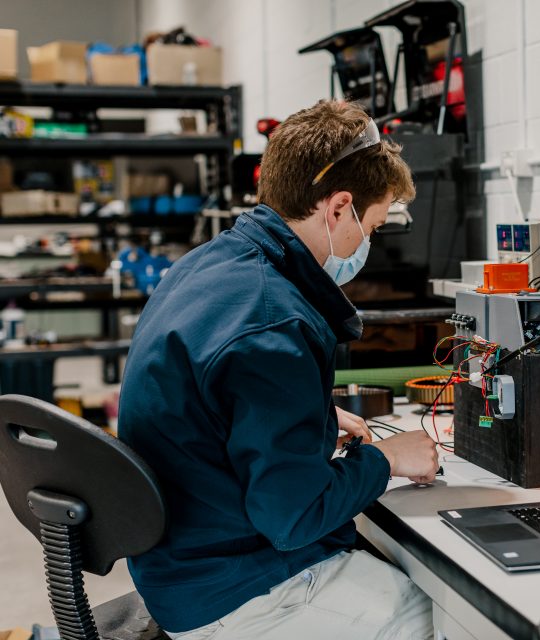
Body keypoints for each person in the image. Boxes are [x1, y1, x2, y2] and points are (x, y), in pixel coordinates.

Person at [118, 100, 438, 640]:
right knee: (456, 617)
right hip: (235, 591)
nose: (367, 243)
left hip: (185, 562)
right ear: (339, 208)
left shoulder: (209, 265)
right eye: (373, 226)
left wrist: (310, 415)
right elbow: (294, 517)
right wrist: (388, 458)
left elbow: (217, 394)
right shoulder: (274, 322)